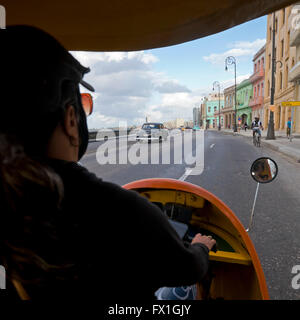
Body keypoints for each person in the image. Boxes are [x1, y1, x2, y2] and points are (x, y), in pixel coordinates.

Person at [0, 26, 216, 300]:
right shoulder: (119, 211)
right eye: (83, 105)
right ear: (70, 119)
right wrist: (199, 247)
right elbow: (187, 270)